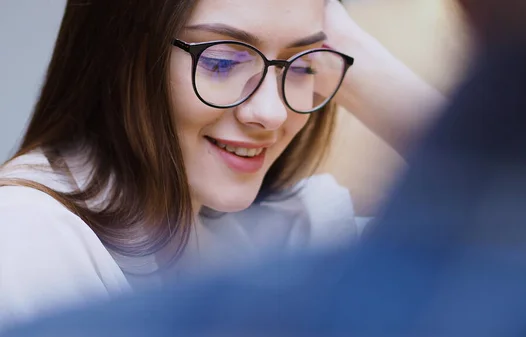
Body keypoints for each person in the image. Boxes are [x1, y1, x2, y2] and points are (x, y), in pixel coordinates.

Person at [0, 0, 443, 327]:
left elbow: (498, 243)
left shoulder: (283, 231)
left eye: (302, 67)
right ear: (121, 55)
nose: (271, 113)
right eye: (222, 61)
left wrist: (346, 47)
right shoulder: (30, 236)